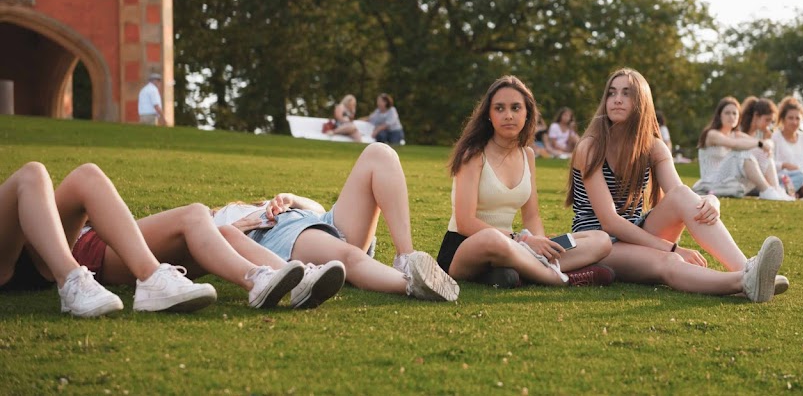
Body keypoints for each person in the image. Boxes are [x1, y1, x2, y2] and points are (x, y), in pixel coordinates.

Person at [567, 68, 788, 302]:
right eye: (612, 94)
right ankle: (742, 281)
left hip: (637, 230)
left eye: (627, 93)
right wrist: (670, 248)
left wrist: (711, 200)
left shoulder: (653, 147)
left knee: (682, 195)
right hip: (598, 243)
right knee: (670, 260)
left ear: (642, 102)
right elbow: (609, 221)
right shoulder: (589, 148)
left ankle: (747, 269)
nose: (617, 99)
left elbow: (680, 196)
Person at [214, 143, 459, 302]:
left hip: (320, 221)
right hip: (278, 234)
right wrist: (235, 229)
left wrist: (291, 198)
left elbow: (318, 210)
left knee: (379, 154)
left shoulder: (247, 205)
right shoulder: (206, 221)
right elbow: (209, 248)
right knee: (349, 257)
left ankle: (406, 258)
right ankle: (412, 284)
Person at [437, 76, 614, 289]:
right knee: (493, 239)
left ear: (527, 113)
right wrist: (524, 240)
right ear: (489, 115)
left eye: (516, 108)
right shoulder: (473, 155)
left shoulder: (527, 155)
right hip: (467, 245)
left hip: (516, 245)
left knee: (600, 240)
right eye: (499, 108)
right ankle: (559, 278)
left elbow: (531, 216)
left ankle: (519, 271)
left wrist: (541, 244)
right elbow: (465, 222)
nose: (508, 115)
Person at [1, 162, 216, 316]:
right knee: (31, 173)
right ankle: (71, 280)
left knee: (86, 174)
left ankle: (151, 278)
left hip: (37, 258)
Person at [692, 96, 793, 201]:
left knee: (760, 151)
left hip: (731, 182)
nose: (731, 116)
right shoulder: (712, 134)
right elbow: (735, 144)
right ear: (719, 115)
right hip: (712, 182)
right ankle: (766, 190)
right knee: (741, 153)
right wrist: (761, 143)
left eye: (734, 113)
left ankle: (775, 190)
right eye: (727, 113)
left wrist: (766, 143)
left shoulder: (736, 134)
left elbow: (762, 144)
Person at [737, 97, 796, 197]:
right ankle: (773, 190)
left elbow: (768, 152)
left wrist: (767, 140)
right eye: (767, 120)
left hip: (754, 177)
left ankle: (776, 190)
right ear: (756, 116)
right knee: (763, 152)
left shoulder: (761, 133)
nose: (769, 124)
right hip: (739, 171)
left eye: (771, 121)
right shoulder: (739, 129)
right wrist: (764, 144)